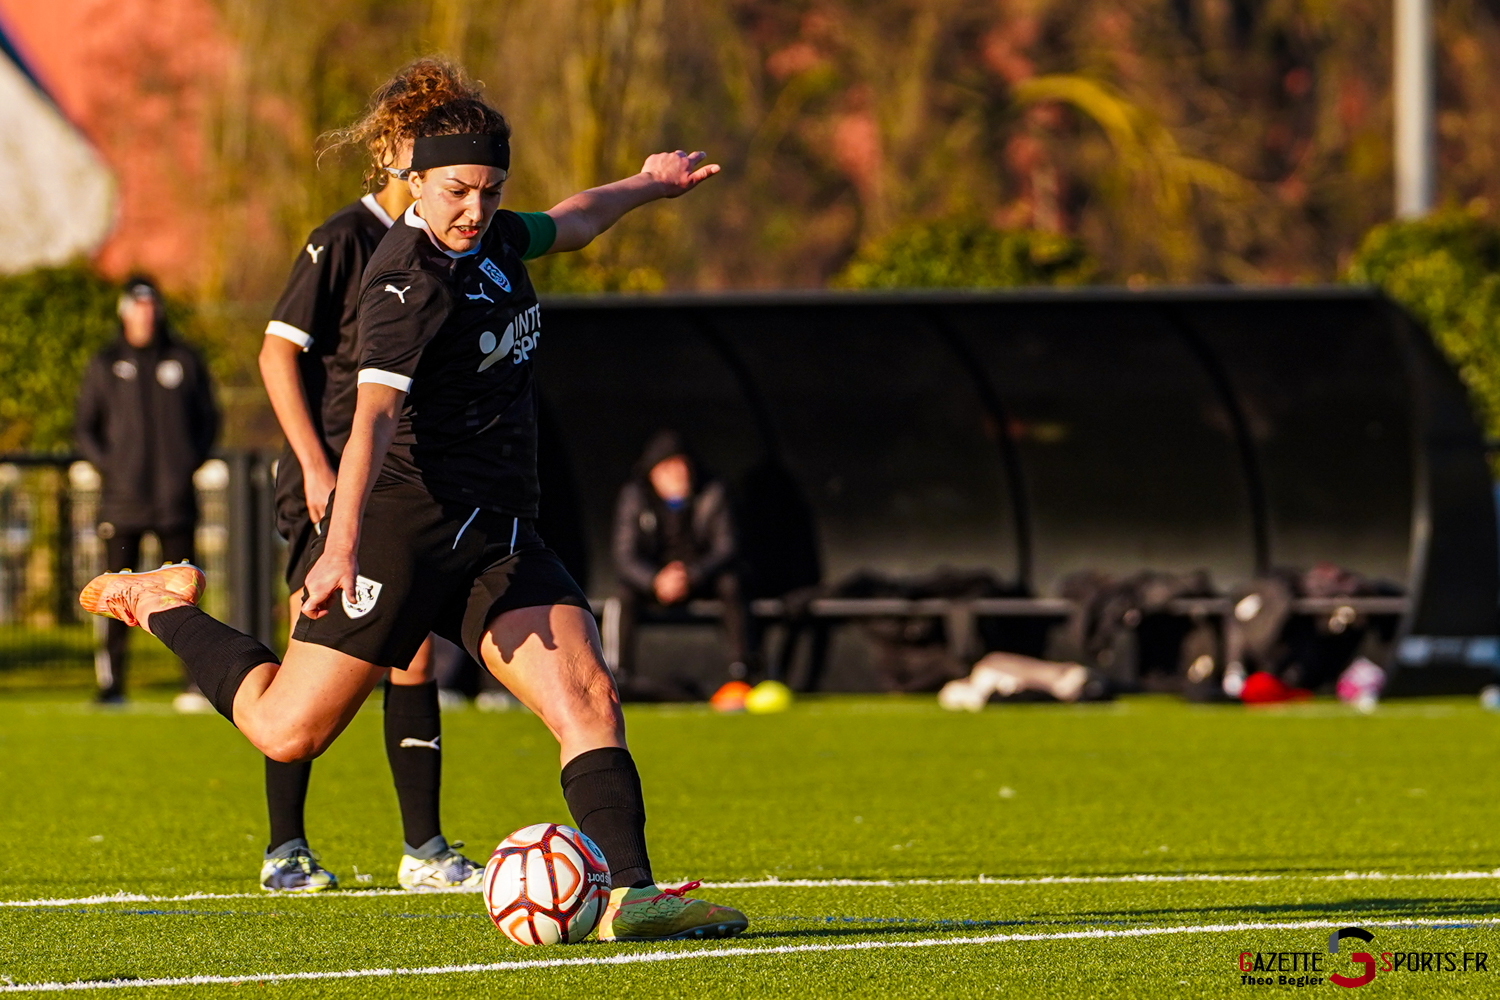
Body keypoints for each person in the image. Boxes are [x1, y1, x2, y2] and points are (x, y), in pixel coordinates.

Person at [80, 93, 748, 941]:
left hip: (498, 528)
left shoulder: (495, 238)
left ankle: (634, 894)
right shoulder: (406, 280)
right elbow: (373, 419)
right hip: (407, 525)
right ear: (416, 180)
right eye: (458, 191)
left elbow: (575, 222)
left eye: (491, 191)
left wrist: (649, 185)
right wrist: (339, 546)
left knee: (589, 698)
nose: (475, 209)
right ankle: (160, 602)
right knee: (287, 732)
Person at [254, 59, 486, 894]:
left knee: (414, 657)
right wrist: (317, 468)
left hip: (399, 485)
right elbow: (276, 355)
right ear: (391, 152)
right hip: (330, 477)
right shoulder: (344, 238)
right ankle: (285, 849)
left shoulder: (452, 242)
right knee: (307, 656)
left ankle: (423, 849)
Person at [74, 275, 218, 708]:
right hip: (122, 504)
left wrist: (185, 462)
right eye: (138, 307)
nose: (146, 315)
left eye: (152, 306)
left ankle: (193, 683)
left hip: (175, 503)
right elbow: (85, 427)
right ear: (125, 312)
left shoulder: (184, 359)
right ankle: (112, 685)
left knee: (183, 594)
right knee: (115, 594)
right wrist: (113, 468)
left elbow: (208, 419)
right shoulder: (105, 363)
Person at [612, 430, 754, 684]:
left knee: (731, 583)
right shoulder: (635, 496)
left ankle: (740, 670)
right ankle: (619, 675)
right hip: (657, 582)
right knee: (624, 594)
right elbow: (624, 556)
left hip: (701, 579)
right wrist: (655, 580)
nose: (679, 474)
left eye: (683, 465)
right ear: (652, 473)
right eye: (668, 468)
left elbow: (727, 547)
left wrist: (691, 575)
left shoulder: (712, 492)